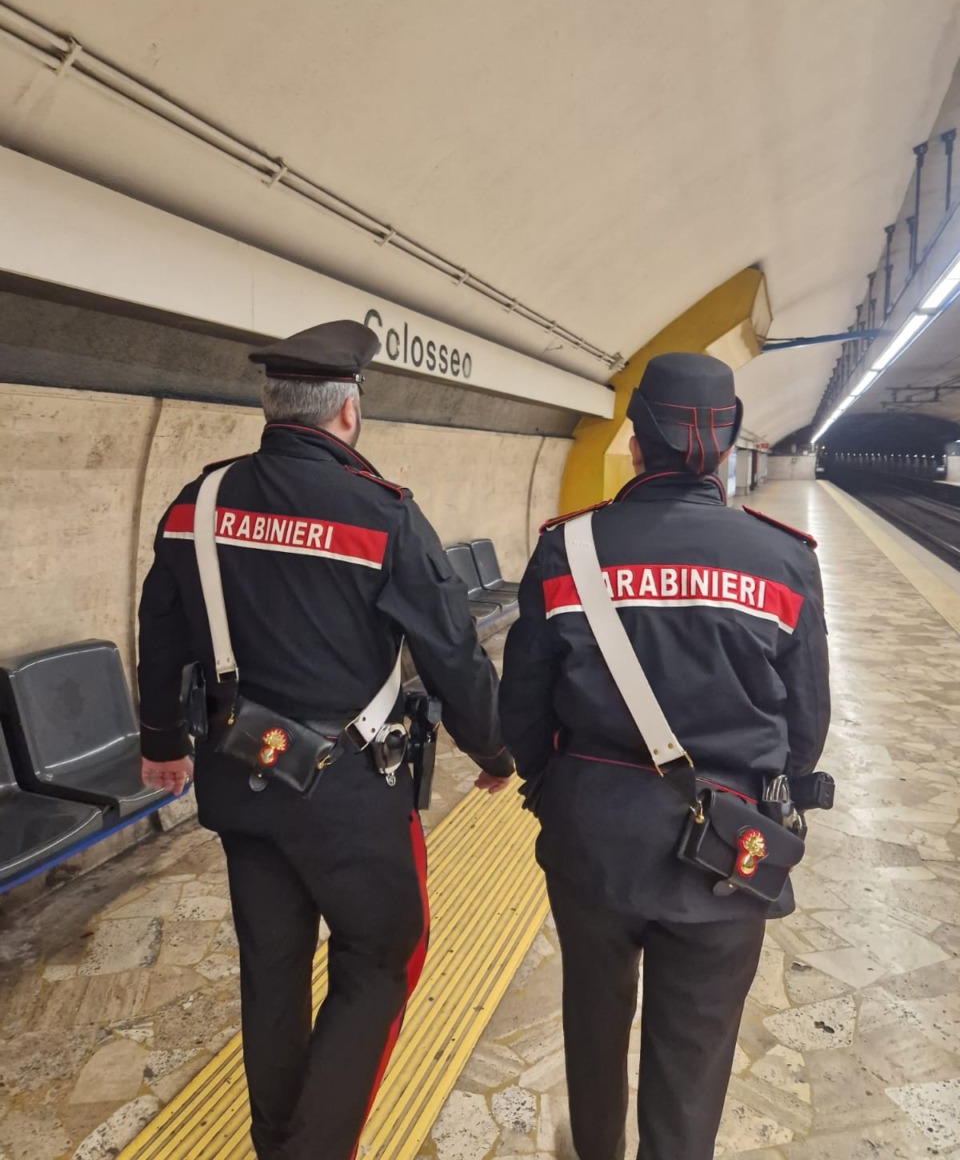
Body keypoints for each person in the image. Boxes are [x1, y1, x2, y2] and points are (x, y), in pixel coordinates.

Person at [137, 319, 514, 1160]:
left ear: (273, 407)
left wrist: (163, 737)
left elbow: (159, 630)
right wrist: (492, 751)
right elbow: (450, 651)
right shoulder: (384, 515)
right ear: (348, 412)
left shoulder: (194, 505)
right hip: (351, 797)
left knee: (270, 973)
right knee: (380, 960)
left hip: (240, 780)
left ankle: (279, 1143)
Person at [499, 352, 829, 1160]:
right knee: (695, 1057)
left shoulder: (568, 552)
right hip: (727, 849)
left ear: (634, 444)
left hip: (593, 841)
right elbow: (806, 725)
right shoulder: (784, 561)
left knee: (592, 1019)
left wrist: (555, 790)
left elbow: (523, 704)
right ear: (727, 449)